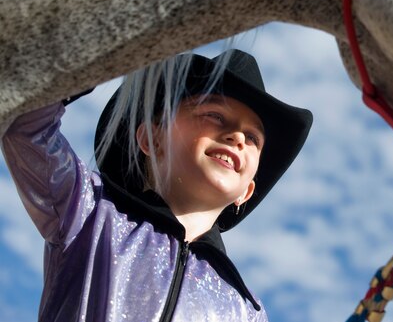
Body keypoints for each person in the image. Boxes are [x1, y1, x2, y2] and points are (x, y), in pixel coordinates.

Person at [1, 49, 313, 321]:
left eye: (253, 138)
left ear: (246, 192)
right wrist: (92, 60)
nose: (237, 137)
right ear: (152, 139)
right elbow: (24, 125)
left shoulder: (246, 309)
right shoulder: (88, 212)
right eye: (215, 115)